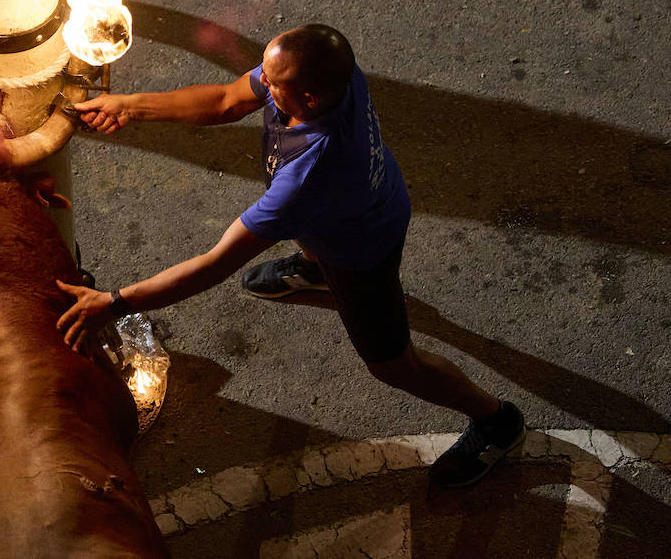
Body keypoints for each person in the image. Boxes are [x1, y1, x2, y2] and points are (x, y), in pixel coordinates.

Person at [56, 24, 526, 489]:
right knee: (308, 229)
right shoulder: (328, 71)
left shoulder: (308, 177)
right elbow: (227, 99)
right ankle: (315, 268)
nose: (261, 81)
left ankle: (496, 423)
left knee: (393, 364)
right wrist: (131, 107)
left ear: (310, 100)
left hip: (361, 249)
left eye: (272, 83)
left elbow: (215, 263)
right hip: (346, 211)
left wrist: (115, 302)